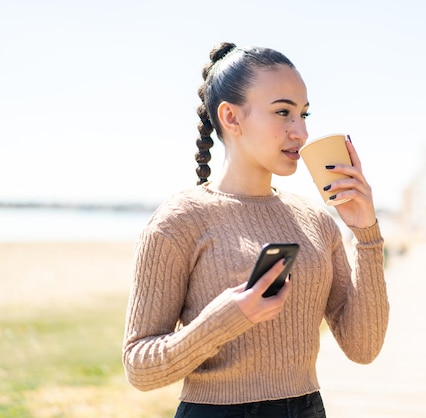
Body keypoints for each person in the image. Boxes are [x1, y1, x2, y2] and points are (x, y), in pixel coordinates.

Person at [122, 41, 389, 418]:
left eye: (304, 115)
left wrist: (366, 233)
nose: (300, 132)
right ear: (231, 118)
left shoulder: (316, 221)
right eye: (283, 112)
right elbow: (139, 367)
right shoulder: (179, 220)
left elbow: (364, 348)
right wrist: (226, 318)